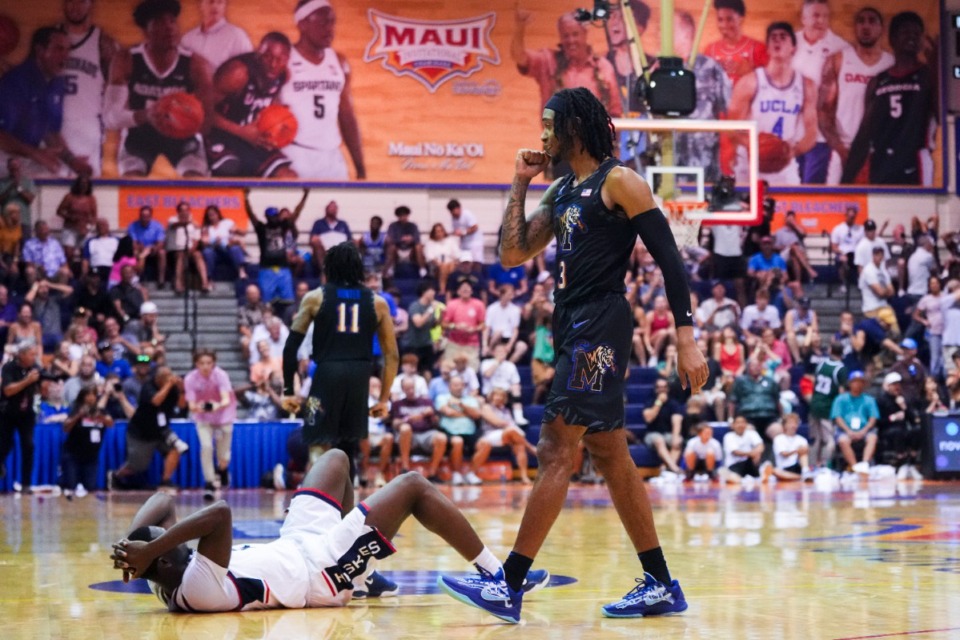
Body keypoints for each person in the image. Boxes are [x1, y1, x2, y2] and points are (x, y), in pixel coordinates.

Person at [438, 87, 708, 622]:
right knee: (609, 455)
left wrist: (685, 334)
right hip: (572, 325)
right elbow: (512, 252)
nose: (542, 135)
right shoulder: (561, 190)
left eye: (549, 125)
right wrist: (519, 181)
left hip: (600, 326)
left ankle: (508, 583)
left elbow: (670, 260)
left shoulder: (620, 181)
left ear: (574, 128)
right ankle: (660, 583)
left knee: (557, 445)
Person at [109, 448, 549, 611]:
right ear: (166, 559)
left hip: (297, 543)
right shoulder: (195, 590)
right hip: (320, 572)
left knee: (336, 459)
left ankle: (365, 574)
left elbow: (163, 500)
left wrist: (133, 545)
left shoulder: (161, 576)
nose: (182, 541)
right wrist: (153, 547)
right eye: (173, 546)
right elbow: (219, 513)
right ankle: (500, 576)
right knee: (412, 485)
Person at [281, 242, 398, 483]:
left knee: (316, 442)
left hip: (326, 375)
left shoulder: (315, 297)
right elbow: (391, 355)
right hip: (359, 377)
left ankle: (315, 507)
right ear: (359, 269)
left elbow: (291, 345)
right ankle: (346, 513)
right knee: (348, 450)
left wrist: (288, 391)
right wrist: (384, 399)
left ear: (328, 268)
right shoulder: (378, 302)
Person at [103, 0, 214, 177]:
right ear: (146, 30)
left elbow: (207, 121)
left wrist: (187, 119)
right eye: (160, 22)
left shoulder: (197, 64)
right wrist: (147, 115)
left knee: (196, 183)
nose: (169, 27)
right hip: (139, 137)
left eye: (172, 21)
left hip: (182, 140)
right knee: (132, 185)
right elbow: (110, 119)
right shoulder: (126, 60)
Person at [843, 11, 937, 185]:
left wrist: (936, 67)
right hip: (881, 162)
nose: (912, 37)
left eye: (916, 34)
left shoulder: (928, 76)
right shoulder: (878, 81)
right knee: (881, 212)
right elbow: (865, 133)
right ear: (893, 39)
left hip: (915, 162)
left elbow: (940, 115)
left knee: (916, 212)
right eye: (906, 32)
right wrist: (846, 180)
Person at [280, 0, 365, 180]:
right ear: (302, 24)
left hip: (332, 156)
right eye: (323, 22)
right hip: (295, 153)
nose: (330, 29)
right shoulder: (284, 60)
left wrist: (360, 166)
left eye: (332, 22)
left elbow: (347, 116)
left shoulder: (339, 62)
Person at [728, 22, 817, 186]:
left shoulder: (806, 85)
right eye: (773, 38)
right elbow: (732, 129)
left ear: (794, 48)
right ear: (767, 48)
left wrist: (792, 151)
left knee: (790, 210)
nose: (777, 41)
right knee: (748, 210)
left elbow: (812, 133)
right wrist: (756, 148)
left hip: (783, 164)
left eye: (783, 37)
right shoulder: (749, 82)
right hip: (750, 163)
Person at [0, 26, 92, 177]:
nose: (66, 56)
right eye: (59, 49)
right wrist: (36, 154)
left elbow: (50, 132)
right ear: (40, 51)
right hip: (4, 155)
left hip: (26, 156)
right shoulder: (16, 82)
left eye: (68, 50)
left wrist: (72, 161)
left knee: (57, 175)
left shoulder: (56, 83)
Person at [819, 7, 893, 185]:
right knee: (835, 205)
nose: (866, 26)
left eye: (872, 21)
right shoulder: (838, 60)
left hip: (879, 150)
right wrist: (839, 148)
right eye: (861, 21)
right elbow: (823, 111)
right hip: (845, 146)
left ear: (881, 28)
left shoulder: (892, 63)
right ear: (855, 27)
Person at [207, 32, 296, 178]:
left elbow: (269, 104)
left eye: (280, 59)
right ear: (258, 53)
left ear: (287, 59)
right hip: (219, 134)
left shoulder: (283, 75)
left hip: (250, 138)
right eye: (268, 57)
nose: (273, 64)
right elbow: (203, 111)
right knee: (230, 170)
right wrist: (241, 131)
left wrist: (279, 120)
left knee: (287, 177)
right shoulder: (238, 73)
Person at [511, 8, 621, 119]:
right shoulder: (548, 61)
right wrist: (520, 28)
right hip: (557, 135)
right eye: (566, 36)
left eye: (575, 34)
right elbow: (519, 56)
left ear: (585, 33)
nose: (571, 40)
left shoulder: (604, 67)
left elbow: (616, 113)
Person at [59, 0, 121, 177]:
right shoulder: (49, 38)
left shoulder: (104, 42)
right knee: (49, 191)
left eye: (81, 1)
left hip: (86, 127)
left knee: (85, 189)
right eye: (71, 1)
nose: (75, 6)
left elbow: (117, 91)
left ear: (91, 4)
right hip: (52, 126)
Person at [792, 0, 851, 184]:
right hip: (792, 132)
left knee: (811, 187)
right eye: (816, 15)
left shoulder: (840, 47)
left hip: (820, 135)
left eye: (825, 16)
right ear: (803, 18)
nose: (821, 21)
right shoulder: (790, 42)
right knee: (791, 187)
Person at [671, 10, 732, 183]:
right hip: (671, 162)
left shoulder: (710, 68)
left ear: (686, 33)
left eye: (670, 30)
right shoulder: (660, 71)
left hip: (705, 162)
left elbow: (731, 109)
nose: (661, 34)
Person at [109, 366, 187, 491]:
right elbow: (156, 401)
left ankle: (165, 480)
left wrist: (182, 389)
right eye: (165, 378)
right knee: (138, 466)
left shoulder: (172, 388)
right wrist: (168, 385)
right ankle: (116, 476)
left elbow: (182, 405)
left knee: (175, 449)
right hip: (141, 432)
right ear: (158, 379)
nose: (168, 380)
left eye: (169, 377)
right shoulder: (148, 387)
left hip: (161, 430)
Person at [185, 349, 237, 498]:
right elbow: (191, 405)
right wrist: (201, 407)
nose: (205, 366)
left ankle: (222, 470)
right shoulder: (190, 379)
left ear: (213, 363)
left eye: (208, 363)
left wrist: (216, 405)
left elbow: (226, 399)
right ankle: (209, 483)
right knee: (206, 447)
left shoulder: (221, 375)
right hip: (203, 418)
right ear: (196, 364)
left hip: (224, 417)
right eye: (201, 363)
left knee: (223, 456)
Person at [469, 388, 537, 485]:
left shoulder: (505, 410)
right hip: (490, 435)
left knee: (519, 445)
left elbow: (510, 426)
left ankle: (524, 476)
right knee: (511, 431)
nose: (499, 398)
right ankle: (531, 448)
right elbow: (497, 423)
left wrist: (507, 425)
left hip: (505, 436)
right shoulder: (486, 407)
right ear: (491, 397)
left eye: (501, 396)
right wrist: (507, 425)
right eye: (496, 395)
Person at [0, 343, 42, 493]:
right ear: (21, 355)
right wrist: (28, 381)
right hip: (8, 412)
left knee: (29, 446)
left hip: (26, 414)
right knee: (5, 444)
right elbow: (8, 391)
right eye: (31, 354)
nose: (34, 357)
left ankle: (26, 484)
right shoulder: (9, 368)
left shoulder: (35, 367)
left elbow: (44, 379)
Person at [244, 189, 296, 308]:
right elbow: (251, 215)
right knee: (267, 303)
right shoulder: (262, 228)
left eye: (276, 215)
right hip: (266, 268)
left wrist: (305, 195)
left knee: (288, 301)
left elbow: (296, 214)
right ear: (267, 217)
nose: (275, 218)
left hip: (283, 268)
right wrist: (246, 199)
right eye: (272, 216)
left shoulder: (283, 226)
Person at [61, 384, 113, 498]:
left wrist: (100, 417)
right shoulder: (76, 408)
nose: (90, 398)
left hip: (91, 456)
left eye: (93, 394)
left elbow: (110, 423)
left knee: (90, 488)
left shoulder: (101, 410)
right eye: (87, 395)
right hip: (73, 455)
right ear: (82, 396)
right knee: (71, 486)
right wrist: (79, 415)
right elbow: (66, 427)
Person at [703, 0, 768, 85]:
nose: (724, 25)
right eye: (720, 20)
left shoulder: (758, 48)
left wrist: (751, 73)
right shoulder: (710, 50)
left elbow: (773, 86)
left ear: (741, 18)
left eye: (729, 19)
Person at [435, 375, 481, 486]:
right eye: (456, 385)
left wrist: (460, 405)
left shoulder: (470, 399)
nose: (459, 387)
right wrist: (467, 413)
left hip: (470, 432)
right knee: (457, 441)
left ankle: (471, 474)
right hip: (450, 432)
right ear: (450, 386)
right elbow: (448, 412)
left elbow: (477, 414)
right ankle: (457, 474)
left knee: (485, 443)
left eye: (461, 385)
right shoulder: (442, 398)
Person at [832, 370, 879, 476]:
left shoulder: (869, 400)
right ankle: (854, 466)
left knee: (872, 437)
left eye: (860, 382)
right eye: (855, 381)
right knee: (843, 440)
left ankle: (865, 464)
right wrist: (848, 431)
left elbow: (873, 418)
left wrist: (864, 431)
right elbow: (838, 418)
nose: (857, 384)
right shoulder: (840, 399)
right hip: (846, 429)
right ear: (850, 383)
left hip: (864, 429)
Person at [181, 0, 252, 70]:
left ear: (225, 6)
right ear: (201, 5)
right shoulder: (188, 38)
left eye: (220, 2)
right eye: (210, 1)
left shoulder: (237, 36)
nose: (215, 6)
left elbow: (250, 69)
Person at [807, 342, 846, 469]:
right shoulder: (840, 368)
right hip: (827, 407)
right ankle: (825, 466)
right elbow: (841, 392)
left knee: (816, 439)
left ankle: (811, 466)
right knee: (829, 440)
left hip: (814, 404)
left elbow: (814, 382)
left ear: (830, 350)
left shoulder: (821, 364)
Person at [642, 378, 684, 475]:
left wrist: (675, 437)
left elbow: (677, 422)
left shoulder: (673, 404)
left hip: (667, 434)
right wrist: (659, 402)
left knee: (678, 440)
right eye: (659, 387)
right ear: (656, 389)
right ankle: (675, 469)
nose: (662, 389)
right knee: (659, 439)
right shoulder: (649, 402)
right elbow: (648, 418)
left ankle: (666, 469)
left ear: (668, 389)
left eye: (664, 387)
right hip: (652, 434)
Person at [166, 201, 210, 293]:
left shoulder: (194, 224)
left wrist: (191, 250)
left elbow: (196, 240)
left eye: (186, 210)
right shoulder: (172, 220)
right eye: (182, 210)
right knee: (181, 255)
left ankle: (205, 283)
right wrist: (189, 222)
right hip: (175, 251)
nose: (184, 212)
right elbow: (175, 225)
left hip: (190, 250)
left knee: (198, 254)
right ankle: (178, 284)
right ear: (178, 211)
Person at [56, 174, 98, 264]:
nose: (84, 185)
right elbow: (59, 211)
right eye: (82, 183)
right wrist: (70, 217)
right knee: (68, 253)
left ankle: (83, 273)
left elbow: (94, 216)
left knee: (85, 253)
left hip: (85, 229)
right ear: (77, 184)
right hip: (70, 228)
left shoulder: (91, 199)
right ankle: (68, 272)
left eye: (86, 183)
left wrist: (89, 228)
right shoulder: (69, 196)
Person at [200, 205, 246, 280]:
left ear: (218, 214)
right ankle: (209, 277)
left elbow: (243, 233)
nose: (212, 217)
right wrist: (213, 242)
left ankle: (241, 271)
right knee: (207, 252)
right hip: (215, 251)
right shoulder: (206, 228)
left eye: (214, 214)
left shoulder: (227, 223)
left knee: (235, 248)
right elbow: (204, 242)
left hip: (228, 250)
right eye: (210, 215)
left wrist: (236, 230)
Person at [721, 414, 767, 485]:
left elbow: (761, 446)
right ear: (733, 425)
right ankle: (746, 479)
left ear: (746, 424)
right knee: (729, 474)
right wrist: (752, 453)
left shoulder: (752, 433)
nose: (740, 425)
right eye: (738, 423)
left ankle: (759, 475)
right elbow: (735, 452)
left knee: (758, 456)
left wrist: (756, 453)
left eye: (743, 422)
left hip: (749, 463)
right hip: (734, 465)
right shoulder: (728, 436)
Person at [128, 205, 167, 287]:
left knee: (162, 253)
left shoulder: (157, 226)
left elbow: (161, 242)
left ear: (150, 216)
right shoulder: (133, 226)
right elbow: (133, 242)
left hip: (153, 249)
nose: (144, 218)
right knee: (135, 252)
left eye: (147, 216)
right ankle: (138, 279)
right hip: (140, 249)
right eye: (143, 216)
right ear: (140, 216)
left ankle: (161, 280)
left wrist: (153, 248)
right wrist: (140, 247)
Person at [309, 200, 351, 275]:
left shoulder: (343, 224)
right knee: (316, 241)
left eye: (334, 207)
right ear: (326, 209)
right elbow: (312, 240)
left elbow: (349, 239)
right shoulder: (318, 223)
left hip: (339, 251)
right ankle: (325, 270)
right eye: (330, 207)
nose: (332, 209)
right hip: (323, 252)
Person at [830, 206, 864, 293]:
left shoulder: (860, 229)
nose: (851, 218)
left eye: (853, 217)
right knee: (843, 260)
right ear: (846, 215)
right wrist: (841, 252)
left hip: (855, 253)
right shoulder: (838, 229)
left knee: (862, 259)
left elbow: (864, 243)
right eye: (849, 216)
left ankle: (862, 283)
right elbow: (833, 247)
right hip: (842, 253)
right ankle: (843, 284)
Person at [0, 158, 36, 232]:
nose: (14, 169)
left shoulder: (28, 181)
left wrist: (19, 188)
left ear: (20, 167)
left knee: (25, 243)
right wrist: (11, 187)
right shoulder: (2, 182)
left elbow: (30, 199)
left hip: (23, 220)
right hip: (6, 221)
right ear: (8, 167)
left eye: (16, 166)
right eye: (12, 166)